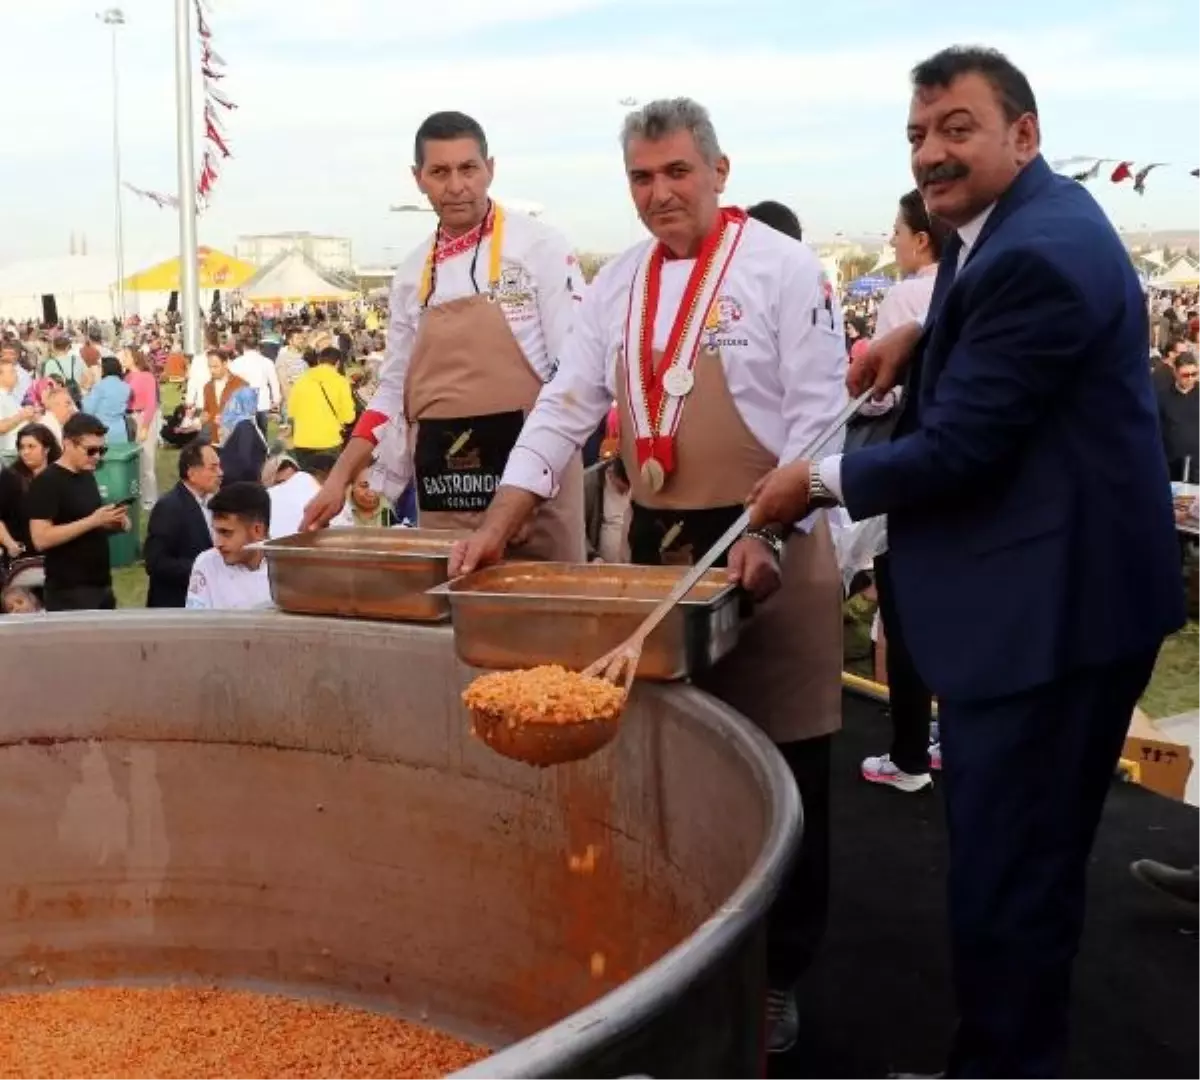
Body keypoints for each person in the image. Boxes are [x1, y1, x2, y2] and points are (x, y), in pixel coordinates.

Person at [745, 47, 1185, 1080]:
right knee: (1019, 873)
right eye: (917, 134)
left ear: (1021, 134)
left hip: (1048, 618)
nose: (931, 154)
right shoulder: (1021, 224)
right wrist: (916, 341)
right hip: (1057, 601)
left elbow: (961, 453)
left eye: (956, 128)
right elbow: (984, 318)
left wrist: (812, 482)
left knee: (1008, 880)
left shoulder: (1038, 252)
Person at [448, 97, 847, 1055]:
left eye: (676, 172)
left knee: (789, 768)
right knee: (671, 757)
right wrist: (503, 516)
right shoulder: (618, 282)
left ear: (718, 169)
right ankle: (675, 946)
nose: (660, 193)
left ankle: (777, 974)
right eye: (641, 177)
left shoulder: (784, 270)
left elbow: (822, 415)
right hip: (657, 550)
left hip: (766, 541)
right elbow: (566, 403)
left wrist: (780, 535)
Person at [299, 110, 586, 567]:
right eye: (439, 172)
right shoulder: (413, 273)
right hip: (446, 488)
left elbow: (572, 379)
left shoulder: (540, 248)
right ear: (418, 179)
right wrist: (338, 478)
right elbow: (393, 391)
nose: (456, 186)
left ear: (490, 168)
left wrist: (529, 486)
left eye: (468, 169)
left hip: (532, 484)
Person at [851, 189, 952, 792]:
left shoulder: (906, 296)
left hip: (911, 479)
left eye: (897, 230)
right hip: (964, 486)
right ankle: (950, 741)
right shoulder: (970, 285)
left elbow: (880, 394)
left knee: (904, 619)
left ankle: (911, 757)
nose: (891, 239)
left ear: (921, 237)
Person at [27, 412, 130, 611]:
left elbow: (84, 522)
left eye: (102, 450)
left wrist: (113, 523)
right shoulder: (47, 482)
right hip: (69, 591)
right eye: (90, 450)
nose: (97, 456)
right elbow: (41, 538)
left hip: (100, 585)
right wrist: (92, 521)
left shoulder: (86, 475)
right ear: (68, 443)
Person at [143, 439, 222, 608]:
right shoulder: (169, 507)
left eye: (219, 466)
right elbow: (156, 563)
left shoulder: (214, 502)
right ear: (192, 473)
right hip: (176, 605)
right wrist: (205, 568)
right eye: (213, 468)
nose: (221, 473)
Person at [185, 481, 274, 611]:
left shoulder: (288, 568)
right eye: (216, 532)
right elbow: (197, 625)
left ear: (257, 531)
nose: (217, 543)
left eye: (226, 533)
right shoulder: (207, 564)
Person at [285, 345, 356, 470]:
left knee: (307, 483)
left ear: (319, 361)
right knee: (327, 483)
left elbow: (291, 413)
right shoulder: (341, 382)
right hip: (329, 441)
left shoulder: (301, 380)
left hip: (302, 441)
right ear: (338, 363)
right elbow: (348, 417)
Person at [121, 346, 161, 509]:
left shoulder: (147, 377)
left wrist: (145, 426)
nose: (123, 359)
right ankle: (137, 494)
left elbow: (152, 402)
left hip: (144, 416)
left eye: (126, 356)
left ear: (134, 357)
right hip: (129, 417)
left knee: (147, 460)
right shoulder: (126, 377)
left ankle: (150, 499)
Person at [202, 349, 250, 444]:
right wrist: (203, 417)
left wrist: (227, 419)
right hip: (215, 439)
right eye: (210, 367)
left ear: (225, 364)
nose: (212, 370)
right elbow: (207, 410)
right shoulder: (207, 387)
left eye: (215, 367)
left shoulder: (241, 384)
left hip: (236, 439)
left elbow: (249, 414)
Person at [82, 355, 133, 445]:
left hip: (102, 428)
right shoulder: (125, 386)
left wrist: (86, 391)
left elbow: (88, 410)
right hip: (120, 428)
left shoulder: (100, 386)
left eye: (99, 366)